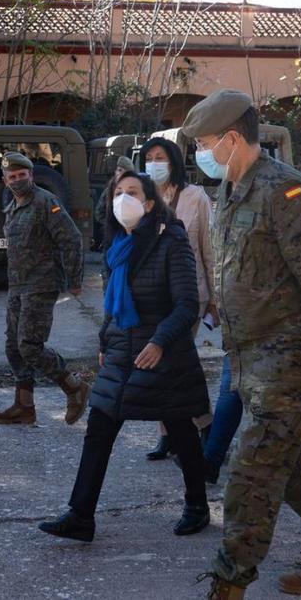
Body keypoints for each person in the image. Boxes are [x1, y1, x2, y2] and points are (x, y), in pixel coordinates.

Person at [187, 90, 301, 600]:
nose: (201, 152)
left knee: (251, 473)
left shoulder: (284, 192)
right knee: (294, 467)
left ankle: (228, 586)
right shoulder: (231, 186)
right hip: (248, 358)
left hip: (288, 359)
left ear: (231, 138)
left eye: (204, 143)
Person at [38, 172, 210, 542]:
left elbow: (186, 304)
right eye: (118, 193)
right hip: (120, 350)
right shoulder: (116, 246)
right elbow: (112, 308)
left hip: (161, 354)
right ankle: (80, 515)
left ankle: (197, 506)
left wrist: (161, 341)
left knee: (181, 429)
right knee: (99, 429)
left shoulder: (172, 240)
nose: (123, 200)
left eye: (132, 193)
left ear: (150, 203)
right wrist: (104, 341)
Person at [0, 153, 90, 426]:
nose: (18, 180)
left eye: (23, 175)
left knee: (30, 347)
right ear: (5, 180)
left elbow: (71, 239)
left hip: (42, 284)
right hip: (17, 286)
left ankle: (74, 386)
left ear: (31, 176)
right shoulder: (12, 207)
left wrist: (75, 279)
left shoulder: (47, 202)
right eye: (13, 176)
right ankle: (24, 406)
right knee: (13, 347)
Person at [140, 137, 218, 461]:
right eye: (149, 158)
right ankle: (171, 433)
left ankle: (204, 425)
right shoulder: (139, 198)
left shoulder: (195, 197)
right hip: (151, 298)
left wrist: (216, 298)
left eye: (160, 157)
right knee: (163, 368)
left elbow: (210, 250)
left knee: (174, 364)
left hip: (189, 296)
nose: (154, 163)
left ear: (173, 161)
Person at [92, 155, 136, 250]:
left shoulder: (136, 190)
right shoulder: (109, 190)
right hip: (112, 236)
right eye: (118, 170)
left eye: (123, 171)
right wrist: (111, 224)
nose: (120, 173)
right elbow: (99, 213)